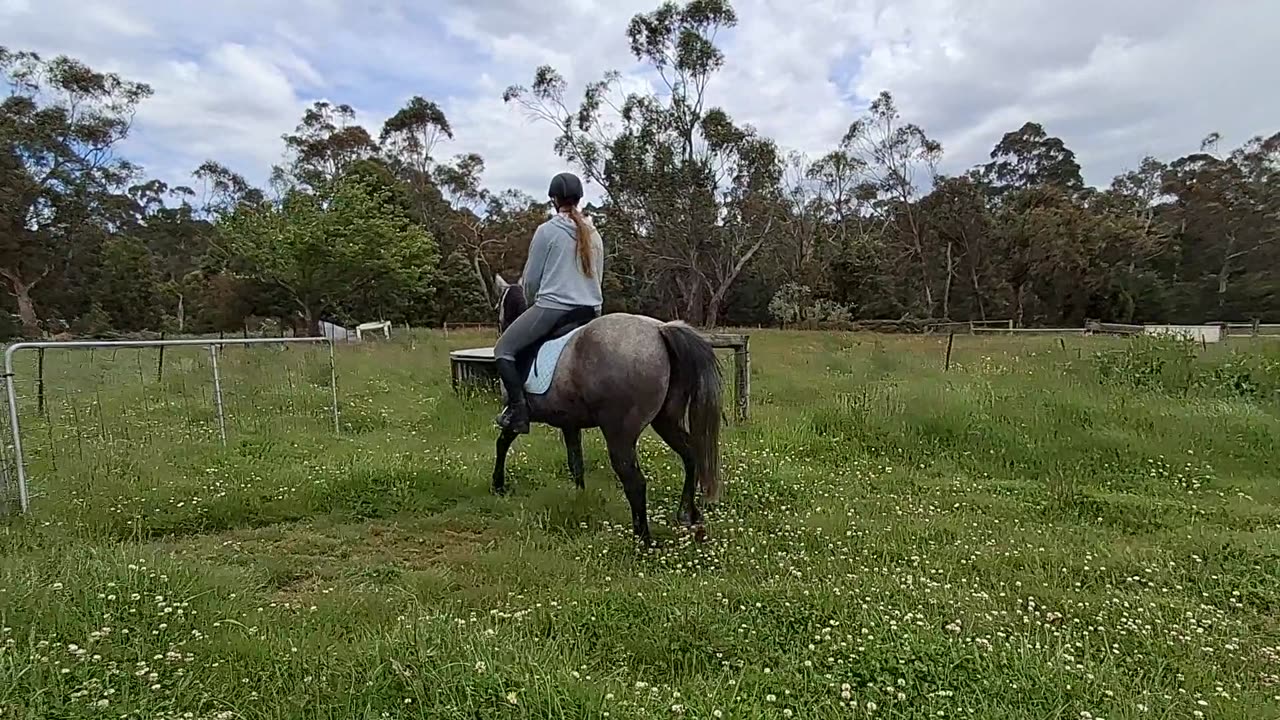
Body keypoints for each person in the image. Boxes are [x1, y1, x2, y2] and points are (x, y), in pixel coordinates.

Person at [493, 171, 604, 434]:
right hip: (590, 311)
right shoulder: (594, 234)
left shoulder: (548, 231)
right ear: (579, 199)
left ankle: (518, 411)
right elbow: (598, 276)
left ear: (554, 199)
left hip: (553, 309)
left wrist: (532, 304)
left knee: (503, 351)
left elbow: (530, 281)